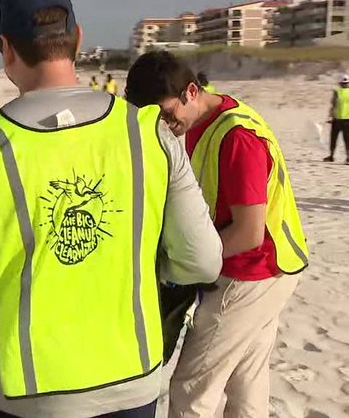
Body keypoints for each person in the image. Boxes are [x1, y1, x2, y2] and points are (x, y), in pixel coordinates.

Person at [0, 0, 222, 418]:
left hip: (31, 392)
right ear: (79, 39)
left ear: (6, 48)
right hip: (132, 380)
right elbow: (203, 260)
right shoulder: (148, 132)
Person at [124, 50, 309, 418]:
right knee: (247, 382)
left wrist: (182, 260)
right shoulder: (202, 121)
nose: (164, 125)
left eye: (166, 114)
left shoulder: (237, 138)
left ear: (191, 91)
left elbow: (248, 232)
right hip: (270, 271)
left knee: (192, 391)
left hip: (252, 273)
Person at [324, 74, 349, 164]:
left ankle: (331, 156)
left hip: (337, 119)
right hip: (346, 120)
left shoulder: (336, 92)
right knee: (347, 140)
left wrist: (330, 116)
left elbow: (333, 105)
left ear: (340, 83)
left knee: (334, 139)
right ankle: (347, 157)